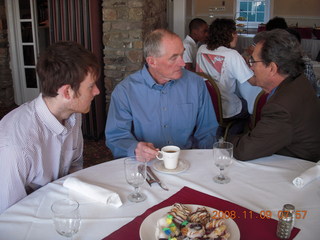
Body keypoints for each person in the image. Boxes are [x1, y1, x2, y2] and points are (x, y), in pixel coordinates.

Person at [0, 41, 100, 214]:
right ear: (67, 92)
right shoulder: (17, 146)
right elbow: (9, 217)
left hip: (60, 207)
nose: (97, 91)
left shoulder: (73, 115)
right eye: (91, 86)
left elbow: (75, 166)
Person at [105, 29, 218, 160]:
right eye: (174, 58)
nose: (182, 63)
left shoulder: (196, 84)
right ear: (152, 62)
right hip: (145, 165)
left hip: (187, 161)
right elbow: (117, 136)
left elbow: (207, 131)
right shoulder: (125, 91)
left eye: (182, 55)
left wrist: (202, 161)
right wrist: (135, 149)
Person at [229, 29, 320, 162]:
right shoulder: (298, 80)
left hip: (295, 168)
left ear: (272, 68)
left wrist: (228, 139)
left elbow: (245, 150)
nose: (251, 67)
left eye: (253, 62)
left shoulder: (281, 107)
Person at [196, 18, 261, 137]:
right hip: (227, 108)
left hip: (206, 106)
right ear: (227, 35)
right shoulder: (232, 55)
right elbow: (254, 82)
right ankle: (231, 138)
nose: (237, 36)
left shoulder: (201, 50)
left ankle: (219, 134)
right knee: (250, 107)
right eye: (234, 32)